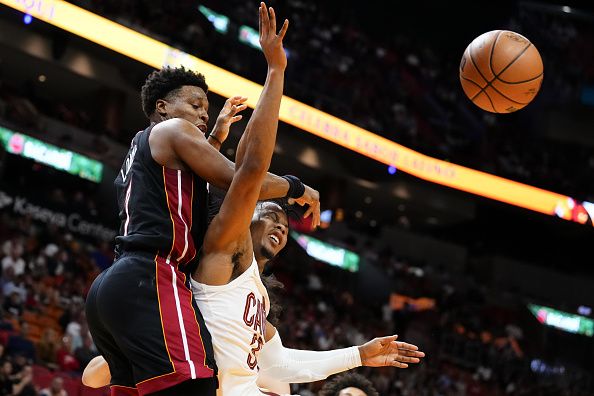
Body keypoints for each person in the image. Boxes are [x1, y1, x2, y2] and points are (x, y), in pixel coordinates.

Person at [84, 2, 321, 396]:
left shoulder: (144, 147)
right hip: (154, 275)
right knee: (196, 386)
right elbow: (241, 180)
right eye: (195, 105)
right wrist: (296, 187)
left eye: (206, 111)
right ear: (162, 107)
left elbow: (188, 187)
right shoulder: (172, 129)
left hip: (114, 285)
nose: (202, 115)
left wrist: (213, 139)